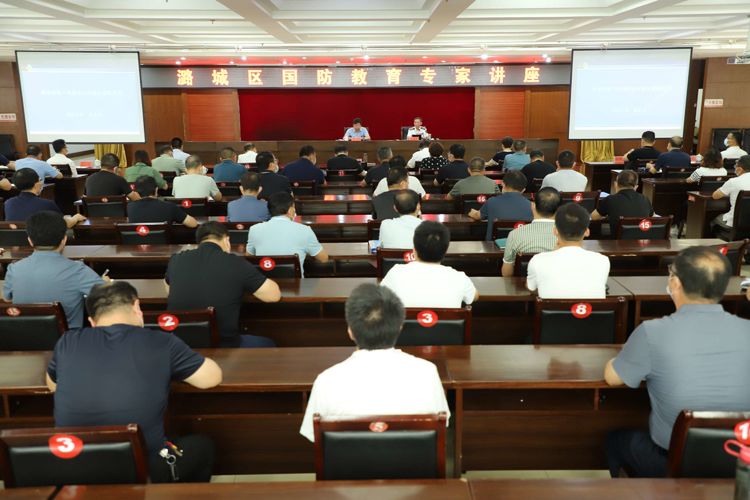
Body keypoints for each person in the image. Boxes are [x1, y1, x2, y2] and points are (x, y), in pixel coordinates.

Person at [47, 281, 222, 483]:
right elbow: (211, 379)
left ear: (91, 321)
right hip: (141, 466)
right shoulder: (162, 342)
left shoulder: (67, 341)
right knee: (203, 446)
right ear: (137, 307)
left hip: (74, 464)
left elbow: (53, 385)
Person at [604, 246, 750, 478]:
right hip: (740, 458)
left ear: (675, 283)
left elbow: (613, 378)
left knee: (616, 440)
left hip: (673, 462)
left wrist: (618, 357)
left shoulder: (652, 332)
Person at [299, 283, 449, 442]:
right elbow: (442, 426)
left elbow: (314, 436)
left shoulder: (326, 381)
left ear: (350, 331)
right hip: (412, 459)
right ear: (400, 328)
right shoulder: (427, 373)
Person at [167, 222, 281, 347]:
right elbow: (273, 296)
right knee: (269, 344)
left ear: (199, 241)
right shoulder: (235, 262)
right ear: (227, 240)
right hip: (224, 345)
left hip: (180, 345)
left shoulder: (176, 260)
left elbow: (168, 290)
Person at [3, 210, 106, 328]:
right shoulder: (78, 270)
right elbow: (108, 297)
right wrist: (105, 283)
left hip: (25, 337)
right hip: (69, 338)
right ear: (64, 240)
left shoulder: (14, 269)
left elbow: (8, 297)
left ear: (30, 241)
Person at [381, 221, 478, 308]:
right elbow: (474, 296)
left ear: (414, 250)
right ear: (445, 251)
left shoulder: (396, 273)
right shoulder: (459, 278)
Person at [527, 203, 610, 298]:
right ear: (587, 232)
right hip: (589, 308)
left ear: (555, 231)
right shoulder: (603, 261)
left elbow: (531, 288)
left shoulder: (538, 260)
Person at [246, 192, 328, 276]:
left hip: (266, 282)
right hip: (295, 283)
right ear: (290, 210)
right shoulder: (304, 230)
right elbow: (324, 258)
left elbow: (249, 256)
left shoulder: (254, 230)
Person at [501, 187, 561, 277]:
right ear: (559, 209)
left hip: (523, 285)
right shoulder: (568, 235)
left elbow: (506, 273)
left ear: (533, 206)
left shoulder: (515, 234)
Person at [4, 169, 86, 228]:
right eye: (40, 180)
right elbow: (65, 224)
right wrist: (76, 218)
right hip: (41, 243)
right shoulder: (46, 204)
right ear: (36, 184)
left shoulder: (8, 203)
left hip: (16, 243)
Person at [468, 170, 532, 240]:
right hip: (521, 246)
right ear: (523, 190)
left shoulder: (491, 202)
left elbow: (477, 216)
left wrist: (472, 212)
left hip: (493, 245)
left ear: (503, 184)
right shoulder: (532, 206)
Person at [127, 176, 197, 228]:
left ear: (136, 192)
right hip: (165, 244)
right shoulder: (169, 207)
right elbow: (193, 224)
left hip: (136, 243)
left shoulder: (130, 207)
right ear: (156, 190)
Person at [711, 155, 750, 229]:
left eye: (735, 166)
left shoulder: (733, 181)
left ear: (740, 169)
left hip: (736, 223)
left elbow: (715, 196)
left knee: (713, 220)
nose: (735, 168)